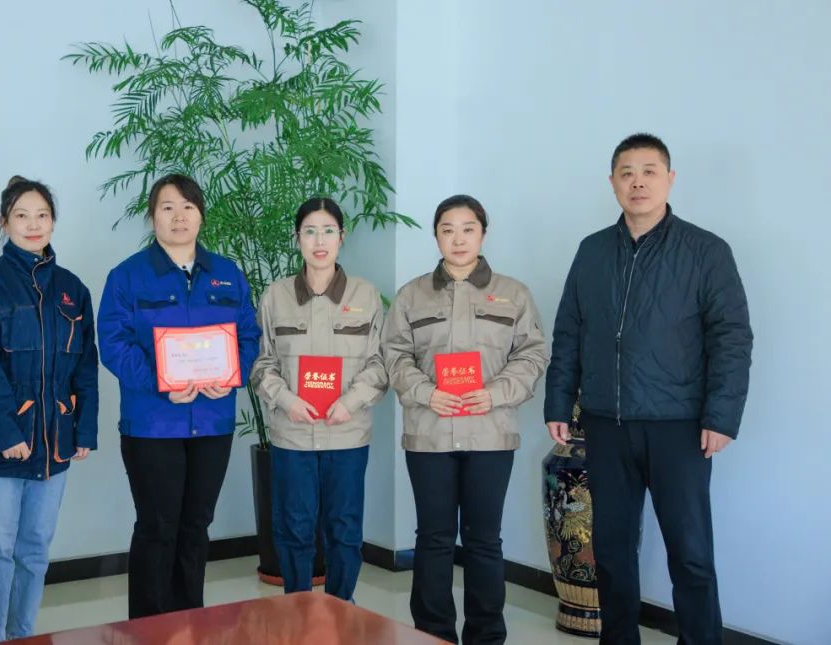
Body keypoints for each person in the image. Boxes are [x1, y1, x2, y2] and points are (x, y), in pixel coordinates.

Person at [544, 133, 752, 645]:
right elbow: (569, 331)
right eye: (627, 172)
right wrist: (558, 403)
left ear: (669, 179)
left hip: (680, 426)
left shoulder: (705, 251)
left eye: (649, 171)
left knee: (691, 553)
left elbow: (731, 338)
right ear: (613, 182)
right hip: (606, 423)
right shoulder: (592, 251)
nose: (638, 182)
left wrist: (721, 417)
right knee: (612, 550)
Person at [383, 194, 548, 644]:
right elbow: (394, 356)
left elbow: (532, 355)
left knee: (484, 541)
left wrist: (494, 394)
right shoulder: (412, 295)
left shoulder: (513, 294)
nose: (458, 239)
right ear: (436, 236)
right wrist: (427, 393)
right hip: (429, 434)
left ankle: (486, 636)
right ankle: (433, 634)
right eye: (448, 230)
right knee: (434, 538)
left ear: (483, 234)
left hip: (490, 435)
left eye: (468, 229)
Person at [97, 173, 261, 618]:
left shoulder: (227, 274)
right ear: (152, 217)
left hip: (212, 423)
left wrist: (232, 376)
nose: (179, 216)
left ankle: (191, 623)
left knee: (196, 527)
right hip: (152, 425)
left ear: (201, 216)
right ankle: (148, 629)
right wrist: (161, 382)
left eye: (188, 207)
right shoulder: (127, 276)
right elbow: (113, 343)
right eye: (167, 207)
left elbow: (249, 335)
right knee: (158, 527)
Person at [0, 176, 99, 644]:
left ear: (53, 222)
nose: (33, 224)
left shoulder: (72, 289)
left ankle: (23, 636)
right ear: (4, 223)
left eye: (42, 215)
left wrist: (84, 430)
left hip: (53, 444)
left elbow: (85, 365)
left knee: (35, 550)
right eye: (21, 215)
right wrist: (5, 433)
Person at [250, 198, 388, 601]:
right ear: (298, 239)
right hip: (293, 434)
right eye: (309, 231)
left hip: (347, 433)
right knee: (293, 527)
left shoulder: (366, 295)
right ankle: (297, 607)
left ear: (342, 237)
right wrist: (286, 399)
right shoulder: (275, 296)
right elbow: (262, 363)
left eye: (328, 231)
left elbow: (381, 363)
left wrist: (351, 401)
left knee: (344, 528)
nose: (319, 241)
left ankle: (342, 606)